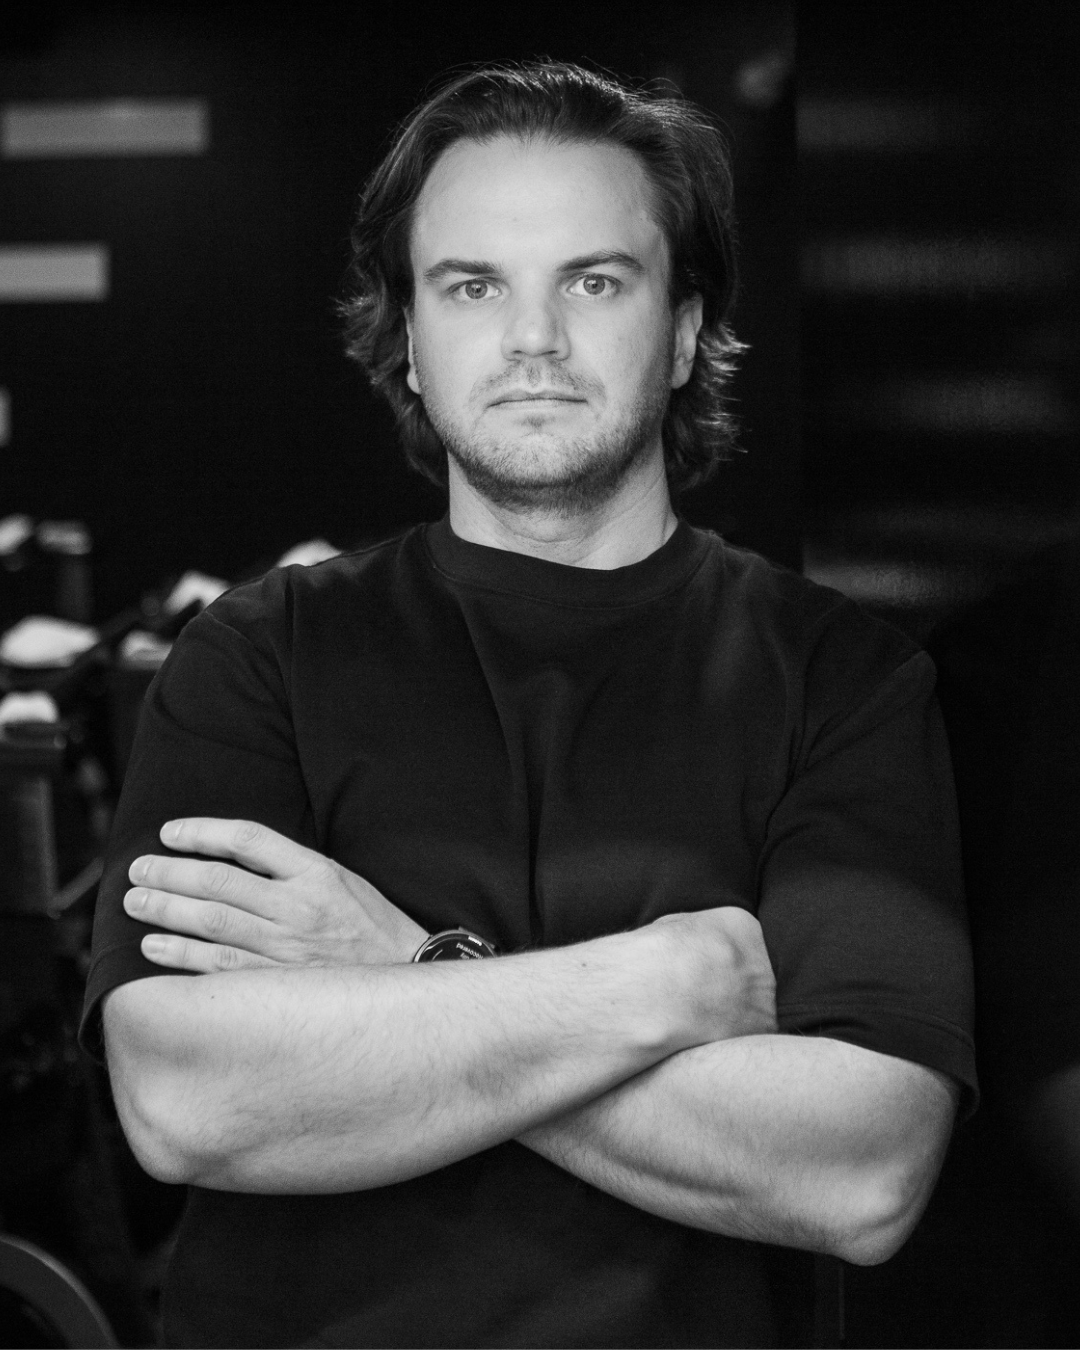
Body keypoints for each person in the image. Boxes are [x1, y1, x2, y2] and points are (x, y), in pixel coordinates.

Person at [82, 61, 976, 1348]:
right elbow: (183, 1101)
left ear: (683, 330)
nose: (534, 339)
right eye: (473, 286)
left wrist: (399, 967)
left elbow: (863, 1170)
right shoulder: (258, 655)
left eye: (594, 282)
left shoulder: (841, 680)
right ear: (409, 335)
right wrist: (666, 985)